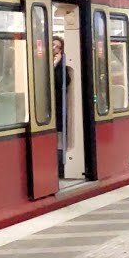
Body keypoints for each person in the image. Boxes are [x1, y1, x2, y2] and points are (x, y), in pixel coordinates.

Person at [53, 36, 73, 174]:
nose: (54, 49)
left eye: (58, 47)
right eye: (53, 45)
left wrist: (56, 64)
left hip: (58, 105)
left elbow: (62, 83)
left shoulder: (62, 67)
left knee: (59, 136)